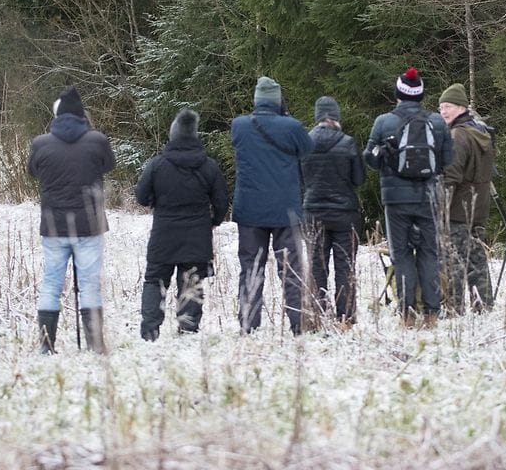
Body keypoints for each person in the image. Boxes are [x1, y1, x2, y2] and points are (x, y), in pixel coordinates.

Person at [28, 86, 115, 354]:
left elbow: (32, 171)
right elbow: (109, 165)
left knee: (51, 283)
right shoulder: (97, 140)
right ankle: (94, 346)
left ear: (57, 116)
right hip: (89, 225)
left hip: (53, 226)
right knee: (90, 284)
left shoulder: (40, 144)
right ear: (81, 116)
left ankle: (46, 346)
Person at [364, 67, 452, 328]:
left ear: (398, 93)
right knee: (429, 253)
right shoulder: (437, 122)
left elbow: (370, 159)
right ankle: (432, 314)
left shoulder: (383, 122)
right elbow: (448, 161)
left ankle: (407, 314)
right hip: (429, 196)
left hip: (395, 199)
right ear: (421, 94)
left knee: (401, 254)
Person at [135, 109, 228, 341]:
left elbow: (141, 196)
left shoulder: (157, 165)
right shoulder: (209, 166)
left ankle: (150, 331)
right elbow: (222, 201)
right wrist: (213, 221)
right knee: (191, 281)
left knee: (155, 281)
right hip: (197, 236)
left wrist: (155, 201)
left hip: (163, 235)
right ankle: (187, 329)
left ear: (173, 136)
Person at [231, 76, 314, 335]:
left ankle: (249, 324)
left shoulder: (239, 126)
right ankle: (298, 323)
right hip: (284, 210)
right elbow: (307, 149)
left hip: (250, 210)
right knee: (291, 270)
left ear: (256, 100)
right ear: (278, 101)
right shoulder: (292, 126)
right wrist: (285, 117)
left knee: (251, 268)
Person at [301, 96, 365, 329]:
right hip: (344, 213)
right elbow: (359, 179)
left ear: (318, 117)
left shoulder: (305, 142)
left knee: (317, 266)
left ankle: (318, 315)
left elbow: (301, 178)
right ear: (336, 117)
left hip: (313, 212)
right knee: (345, 266)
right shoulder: (347, 143)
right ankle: (345, 318)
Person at [438, 83, 497, 314]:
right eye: (441, 107)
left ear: (462, 107)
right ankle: (484, 306)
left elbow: (450, 176)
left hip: (458, 211)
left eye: (448, 107)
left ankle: (453, 308)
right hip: (477, 207)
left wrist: (441, 209)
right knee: (477, 261)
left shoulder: (457, 136)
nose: (443, 111)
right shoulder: (482, 132)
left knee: (453, 260)